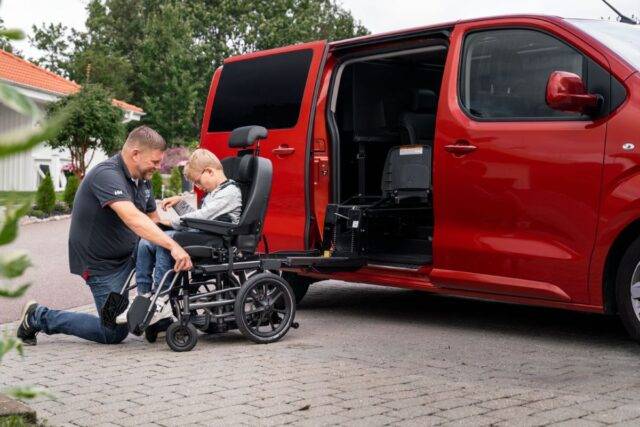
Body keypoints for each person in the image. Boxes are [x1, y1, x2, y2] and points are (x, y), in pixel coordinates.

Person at [16, 126, 193, 345]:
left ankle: (159, 320)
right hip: (101, 264)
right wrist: (174, 246)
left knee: (163, 251)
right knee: (112, 332)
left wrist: (181, 229)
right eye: (155, 162)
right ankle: (37, 316)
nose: (159, 167)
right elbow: (133, 219)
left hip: (129, 253)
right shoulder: (107, 175)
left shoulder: (142, 179)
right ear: (135, 154)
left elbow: (152, 221)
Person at [119, 148, 242, 325]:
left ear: (209, 171)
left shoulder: (230, 192)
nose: (198, 187)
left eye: (198, 182)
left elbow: (203, 217)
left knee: (167, 241)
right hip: (204, 234)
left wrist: (172, 223)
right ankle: (144, 296)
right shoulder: (215, 192)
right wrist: (180, 204)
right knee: (147, 241)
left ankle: (162, 299)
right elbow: (201, 217)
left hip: (218, 240)